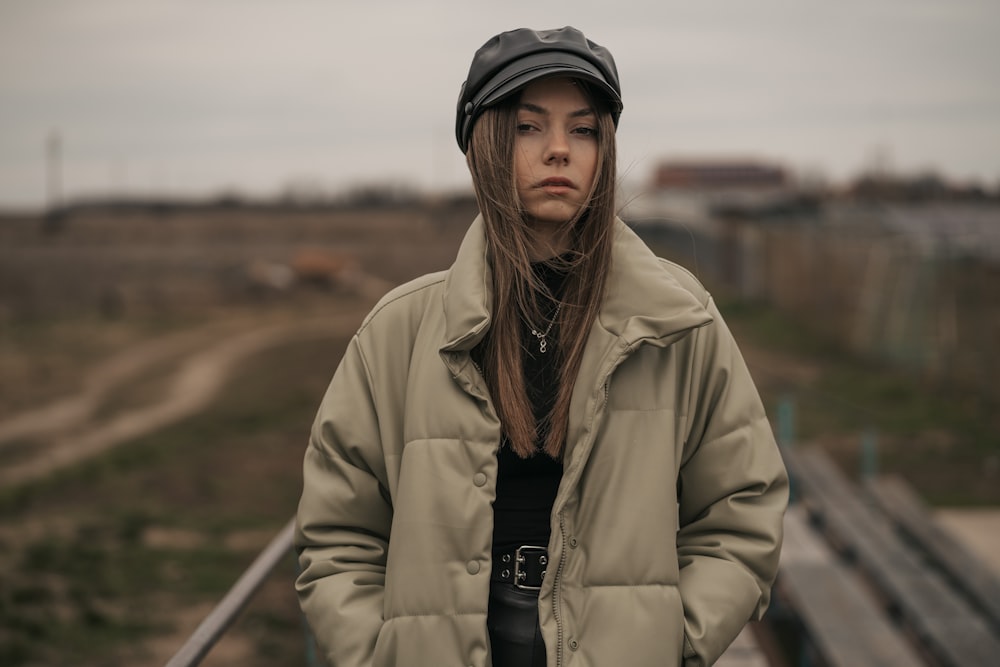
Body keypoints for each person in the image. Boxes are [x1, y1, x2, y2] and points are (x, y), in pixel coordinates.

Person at [295, 26, 788, 667]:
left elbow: (742, 510)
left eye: (583, 130)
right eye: (529, 127)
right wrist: (377, 655)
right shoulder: (399, 330)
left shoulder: (677, 321)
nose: (559, 151)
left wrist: (677, 642)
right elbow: (338, 534)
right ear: (484, 145)